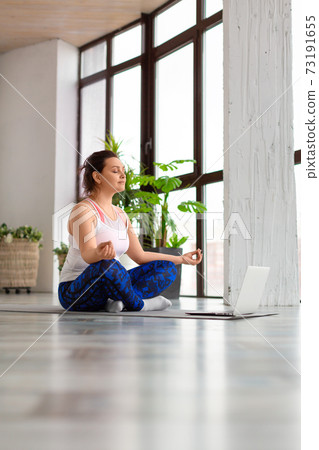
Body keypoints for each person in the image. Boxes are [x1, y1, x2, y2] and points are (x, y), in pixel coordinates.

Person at [58, 150, 203, 313]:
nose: (122, 175)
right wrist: (99, 253)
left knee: (167, 268)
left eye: (123, 171)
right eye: (115, 171)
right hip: (74, 292)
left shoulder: (121, 215)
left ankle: (119, 301)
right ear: (97, 177)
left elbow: (140, 256)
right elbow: (87, 254)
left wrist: (181, 259)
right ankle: (140, 304)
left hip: (109, 287)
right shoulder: (83, 211)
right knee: (108, 265)